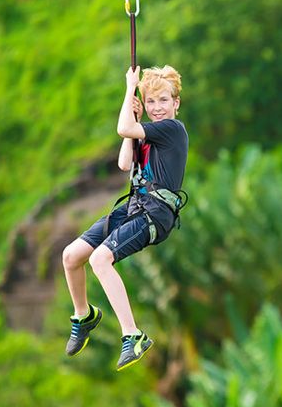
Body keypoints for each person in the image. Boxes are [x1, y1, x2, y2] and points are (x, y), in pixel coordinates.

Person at [60, 64, 189, 370]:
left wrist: (129, 90)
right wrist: (134, 116)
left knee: (100, 259)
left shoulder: (173, 130)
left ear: (176, 103)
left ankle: (133, 334)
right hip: (133, 207)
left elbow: (122, 129)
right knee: (71, 256)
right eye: (151, 101)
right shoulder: (147, 134)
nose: (157, 108)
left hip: (155, 213)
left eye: (163, 100)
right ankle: (84, 315)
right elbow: (123, 162)